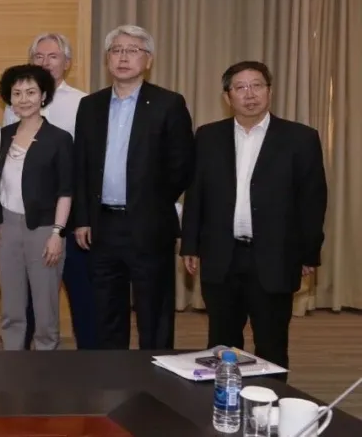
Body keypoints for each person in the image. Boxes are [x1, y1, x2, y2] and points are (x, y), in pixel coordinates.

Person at [181, 61, 327, 372]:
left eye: (257, 85)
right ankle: (223, 396)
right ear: (227, 96)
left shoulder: (300, 138)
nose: (250, 94)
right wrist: (190, 244)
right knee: (221, 342)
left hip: (276, 256)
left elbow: (313, 201)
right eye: (240, 87)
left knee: (271, 343)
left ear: (269, 91)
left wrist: (308, 253)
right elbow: (196, 194)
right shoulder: (208, 136)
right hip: (222, 254)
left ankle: (269, 398)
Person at [72, 25, 194, 350]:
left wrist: (152, 204)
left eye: (132, 50)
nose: (123, 57)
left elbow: (182, 166)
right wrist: (82, 218)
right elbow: (81, 166)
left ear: (148, 60)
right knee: (107, 313)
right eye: (116, 50)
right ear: (107, 59)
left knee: (154, 314)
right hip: (102, 226)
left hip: (149, 226)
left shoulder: (168, 104)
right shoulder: (90, 105)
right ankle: (113, 376)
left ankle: (154, 376)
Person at [2, 33, 95, 350]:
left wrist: (61, 228)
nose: (45, 62)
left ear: (67, 62)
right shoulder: (9, 119)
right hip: (17, 218)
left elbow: (81, 168)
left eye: (52, 56)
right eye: (38, 56)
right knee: (19, 301)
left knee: (70, 297)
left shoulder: (82, 103)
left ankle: (80, 361)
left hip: (65, 216)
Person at [0, 64, 72, 351]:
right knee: (12, 307)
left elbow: (66, 191)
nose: (23, 99)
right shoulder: (2, 135)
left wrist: (57, 233)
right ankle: (13, 362)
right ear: (9, 98)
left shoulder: (59, 138)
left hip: (44, 229)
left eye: (30, 92)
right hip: (7, 228)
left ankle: (46, 362)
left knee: (45, 308)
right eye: (17, 93)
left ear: (43, 95)